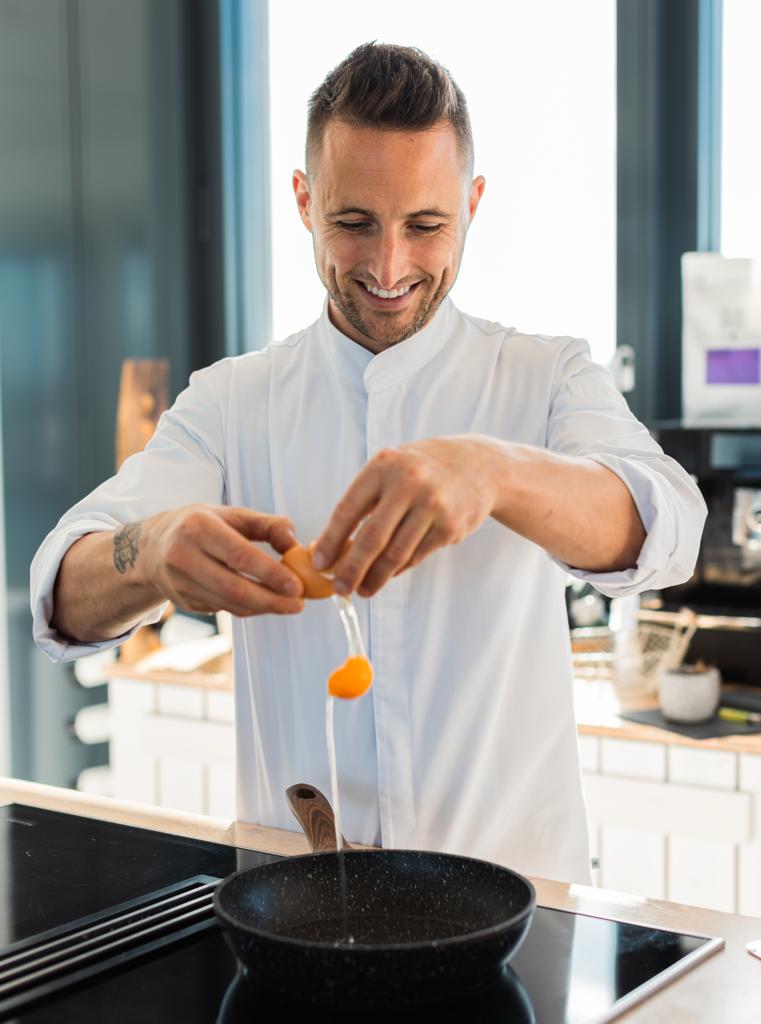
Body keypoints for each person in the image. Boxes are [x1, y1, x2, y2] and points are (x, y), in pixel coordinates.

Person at [31, 43, 706, 883]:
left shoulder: (545, 376)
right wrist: (157, 550)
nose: (389, 269)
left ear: (472, 204)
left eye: (425, 225)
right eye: (354, 223)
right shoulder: (233, 401)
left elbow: (669, 530)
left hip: (524, 910)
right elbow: (62, 587)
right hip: (294, 911)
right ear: (304, 202)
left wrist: (495, 471)